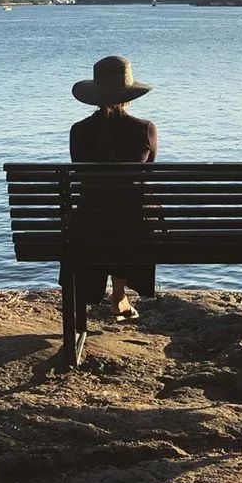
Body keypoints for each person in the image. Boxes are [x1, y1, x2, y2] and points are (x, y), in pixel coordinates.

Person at [65, 54, 158, 322]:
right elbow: (148, 172)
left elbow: (81, 171)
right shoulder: (145, 129)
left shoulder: (78, 130)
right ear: (129, 95)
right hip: (134, 224)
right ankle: (119, 297)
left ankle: (96, 298)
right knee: (129, 213)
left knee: (99, 212)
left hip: (89, 222)